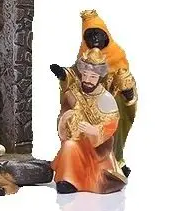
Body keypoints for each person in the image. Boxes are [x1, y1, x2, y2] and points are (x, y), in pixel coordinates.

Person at [51, 10, 137, 177]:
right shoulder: (84, 56)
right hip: (86, 105)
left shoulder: (117, 56)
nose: (94, 39)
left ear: (106, 35)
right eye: (90, 35)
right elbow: (74, 76)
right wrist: (64, 75)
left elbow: (125, 80)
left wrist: (127, 93)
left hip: (108, 105)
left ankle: (116, 162)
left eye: (98, 34)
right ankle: (78, 164)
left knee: (112, 129)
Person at [51, 48, 127, 195]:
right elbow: (64, 110)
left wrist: (95, 131)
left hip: (97, 150)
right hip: (77, 140)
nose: (87, 80)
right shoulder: (74, 92)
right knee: (69, 145)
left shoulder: (106, 99)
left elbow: (112, 124)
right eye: (85, 75)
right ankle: (68, 181)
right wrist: (65, 120)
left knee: (99, 175)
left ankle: (88, 180)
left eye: (92, 76)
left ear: (99, 77)